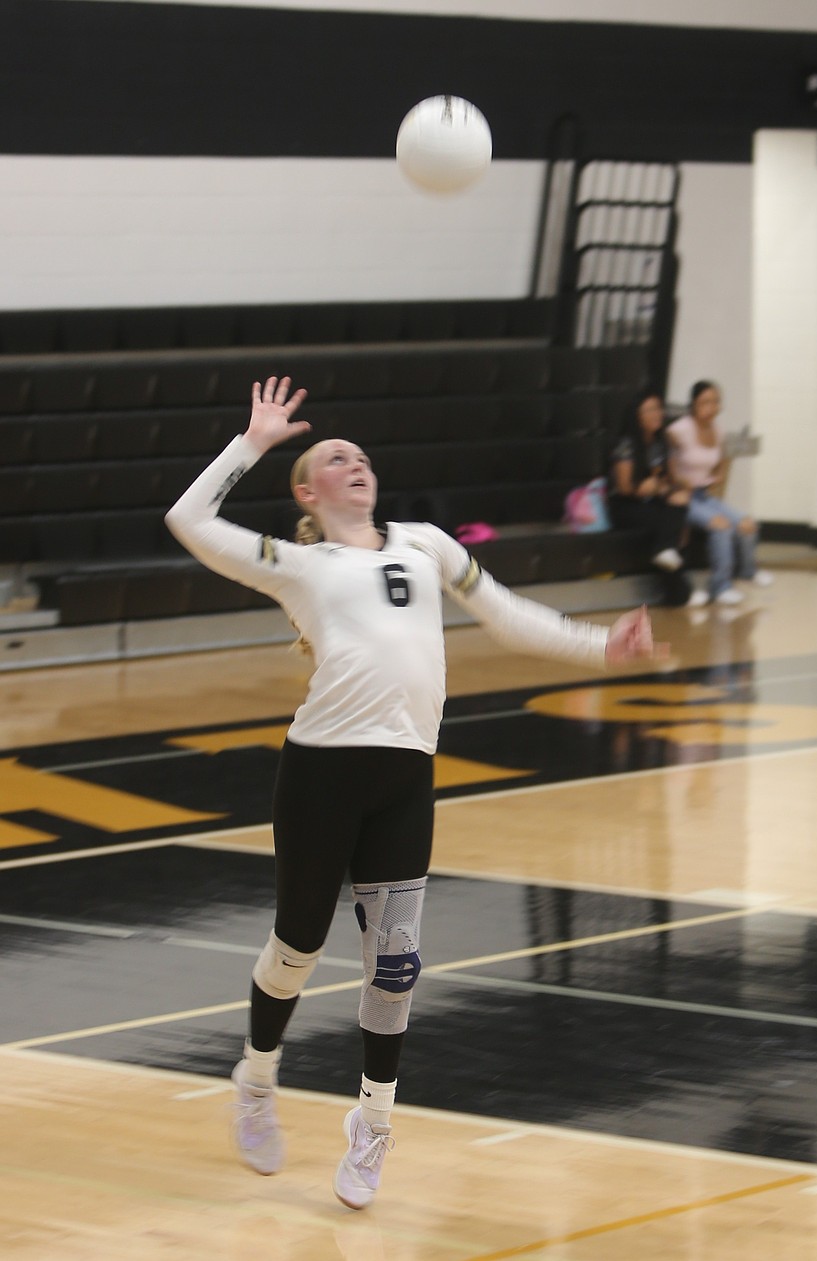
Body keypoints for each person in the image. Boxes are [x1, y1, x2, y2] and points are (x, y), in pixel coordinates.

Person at [165, 377, 666, 1210]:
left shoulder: (427, 543)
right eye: (333, 457)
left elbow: (504, 615)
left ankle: (375, 1125)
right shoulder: (298, 564)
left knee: (394, 966)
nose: (353, 462)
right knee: (295, 950)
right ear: (307, 489)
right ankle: (256, 1074)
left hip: (406, 774)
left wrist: (599, 646)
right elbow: (188, 521)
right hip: (321, 773)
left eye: (360, 455)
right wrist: (252, 442)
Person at [667, 379, 772, 608]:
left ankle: (747, 571)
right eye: (705, 402)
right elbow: (670, 469)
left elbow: (718, 465)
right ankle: (720, 586)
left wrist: (718, 474)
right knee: (720, 525)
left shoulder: (717, 429)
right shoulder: (678, 430)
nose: (711, 407)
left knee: (747, 524)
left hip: (705, 495)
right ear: (694, 404)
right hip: (684, 497)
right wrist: (681, 482)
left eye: (715, 402)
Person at [608, 392, 692, 606]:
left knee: (679, 504)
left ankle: (668, 563)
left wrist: (671, 486)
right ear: (637, 415)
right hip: (626, 504)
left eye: (658, 408)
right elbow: (624, 487)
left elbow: (671, 480)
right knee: (669, 526)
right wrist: (643, 488)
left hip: (653, 500)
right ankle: (680, 592)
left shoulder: (661, 442)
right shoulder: (626, 444)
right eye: (651, 410)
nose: (657, 414)